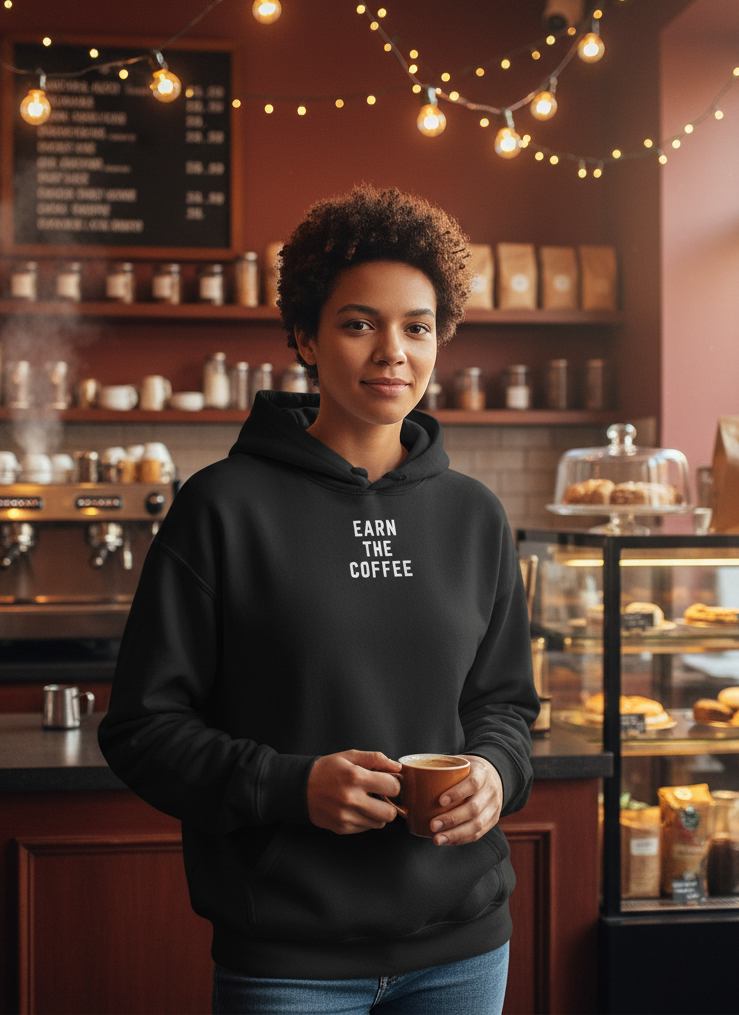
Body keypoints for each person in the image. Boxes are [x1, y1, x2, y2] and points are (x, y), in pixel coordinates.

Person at [98, 185, 539, 1015]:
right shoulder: (222, 508)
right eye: (358, 323)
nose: (392, 352)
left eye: (417, 327)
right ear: (304, 335)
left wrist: (493, 772)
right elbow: (143, 728)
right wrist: (287, 786)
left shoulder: (475, 515)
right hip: (288, 960)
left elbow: (505, 705)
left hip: (464, 947)